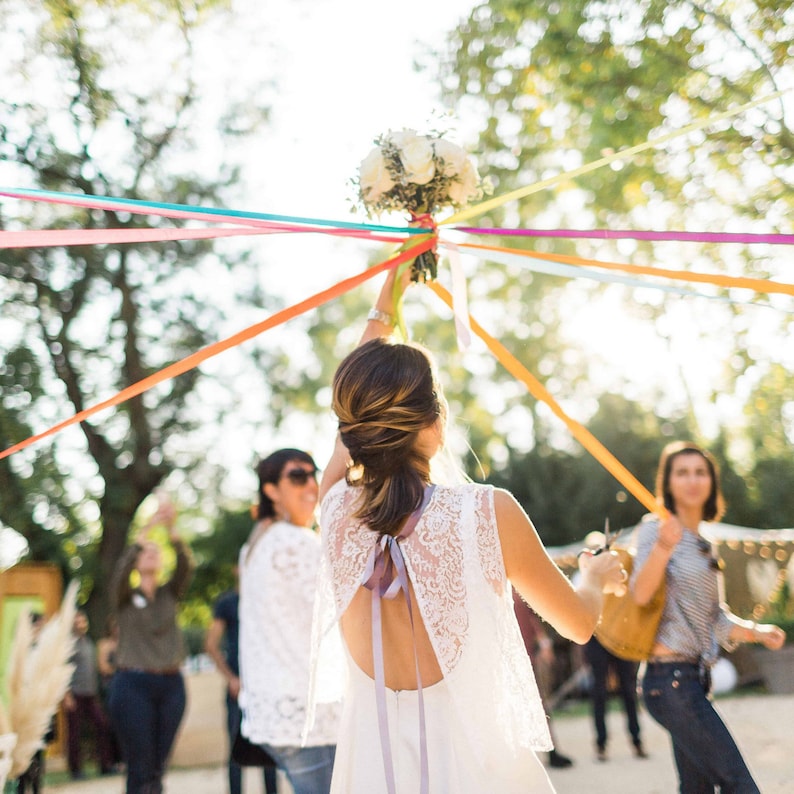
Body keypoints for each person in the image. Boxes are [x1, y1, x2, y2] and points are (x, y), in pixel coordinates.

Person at [308, 267, 626, 793]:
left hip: (372, 773)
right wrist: (595, 579)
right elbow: (577, 624)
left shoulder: (335, 511)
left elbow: (352, 416)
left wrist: (386, 297)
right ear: (435, 424)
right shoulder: (485, 512)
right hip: (478, 770)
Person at [631, 440, 786, 793]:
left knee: (697, 789)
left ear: (712, 482)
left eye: (700, 472)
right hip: (668, 680)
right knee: (739, 784)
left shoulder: (705, 542)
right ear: (667, 483)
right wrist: (662, 548)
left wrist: (758, 632)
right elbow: (640, 594)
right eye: (681, 472)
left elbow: (715, 619)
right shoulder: (656, 530)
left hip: (693, 679)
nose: (692, 480)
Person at [238, 449, 339, 794]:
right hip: (307, 714)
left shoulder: (256, 543)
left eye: (315, 474)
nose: (311, 483)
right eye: (298, 476)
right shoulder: (296, 542)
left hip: (276, 713)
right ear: (270, 489)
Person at [108, 496, 195, 794]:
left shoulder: (169, 593)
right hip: (133, 685)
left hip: (171, 686)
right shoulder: (124, 596)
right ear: (135, 560)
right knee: (140, 764)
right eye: (144, 553)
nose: (150, 555)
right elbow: (120, 570)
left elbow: (185, 565)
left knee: (158, 766)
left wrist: (170, 528)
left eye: (154, 552)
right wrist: (145, 531)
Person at [205, 567, 278, 794]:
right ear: (236, 570)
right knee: (237, 749)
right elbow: (211, 645)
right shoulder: (227, 603)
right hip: (237, 688)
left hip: (264, 686)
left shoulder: (265, 600)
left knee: (269, 748)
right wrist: (231, 679)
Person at [512, 589, 574, 768]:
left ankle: (551, 751)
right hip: (507, 658)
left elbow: (533, 618)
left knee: (538, 704)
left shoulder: (519, 590)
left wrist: (544, 643)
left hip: (526, 657)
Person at [63, 610, 115, 779]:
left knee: (102, 725)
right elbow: (64, 670)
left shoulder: (88, 642)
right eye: (78, 622)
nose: (81, 624)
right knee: (74, 733)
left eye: (83, 621)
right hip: (76, 694)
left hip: (90, 694)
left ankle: (105, 764)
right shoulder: (69, 644)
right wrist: (67, 694)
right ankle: (75, 769)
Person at [582, 634, 646, 761]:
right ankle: (601, 744)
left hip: (620, 635)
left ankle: (637, 741)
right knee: (599, 693)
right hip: (597, 637)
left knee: (628, 691)